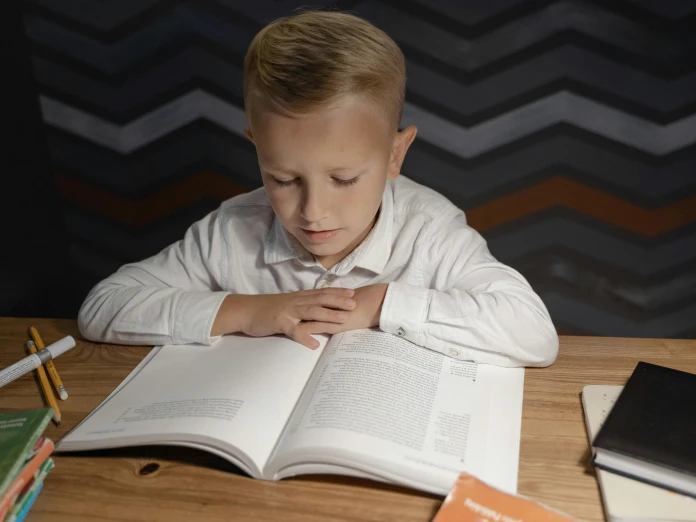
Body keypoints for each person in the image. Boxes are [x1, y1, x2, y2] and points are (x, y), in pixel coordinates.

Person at [78, 10, 558, 368]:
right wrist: (247, 311)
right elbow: (102, 306)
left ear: (395, 155)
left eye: (344, 179)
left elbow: (534, 333)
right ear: (257, 149)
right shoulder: (231, 231)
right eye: (283, 179)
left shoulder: (429, 231)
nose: (314, 211)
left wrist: (380, 303)